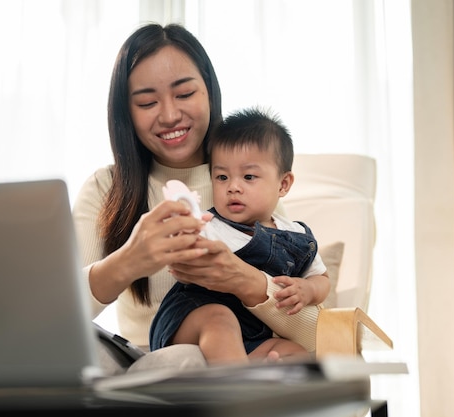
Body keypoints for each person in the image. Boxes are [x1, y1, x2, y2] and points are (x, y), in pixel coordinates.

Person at [72, 22, 326, 372]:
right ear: (126, 112)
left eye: (185, 94)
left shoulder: (243, 183)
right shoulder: (106, 189)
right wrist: (130, 259)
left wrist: (244, 280)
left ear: (209, 91)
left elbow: (319, 335)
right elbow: (54, 320)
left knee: (296, 363)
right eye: (147, 102)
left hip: (237, 357)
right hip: (144, 365)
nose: (170, 114)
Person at [149, 107, 330, 364]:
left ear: (283, 184)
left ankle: (256, 377)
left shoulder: (298, 236)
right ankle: (238, 393)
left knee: (295, 354)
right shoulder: (210, 224)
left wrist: (309, 290)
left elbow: (322, 278)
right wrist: (183, 231)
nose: (233, 187)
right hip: (192, 319)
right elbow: (186, 245)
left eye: (248, 176)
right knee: (220, 319)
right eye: (222, 177)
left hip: (253, 335)